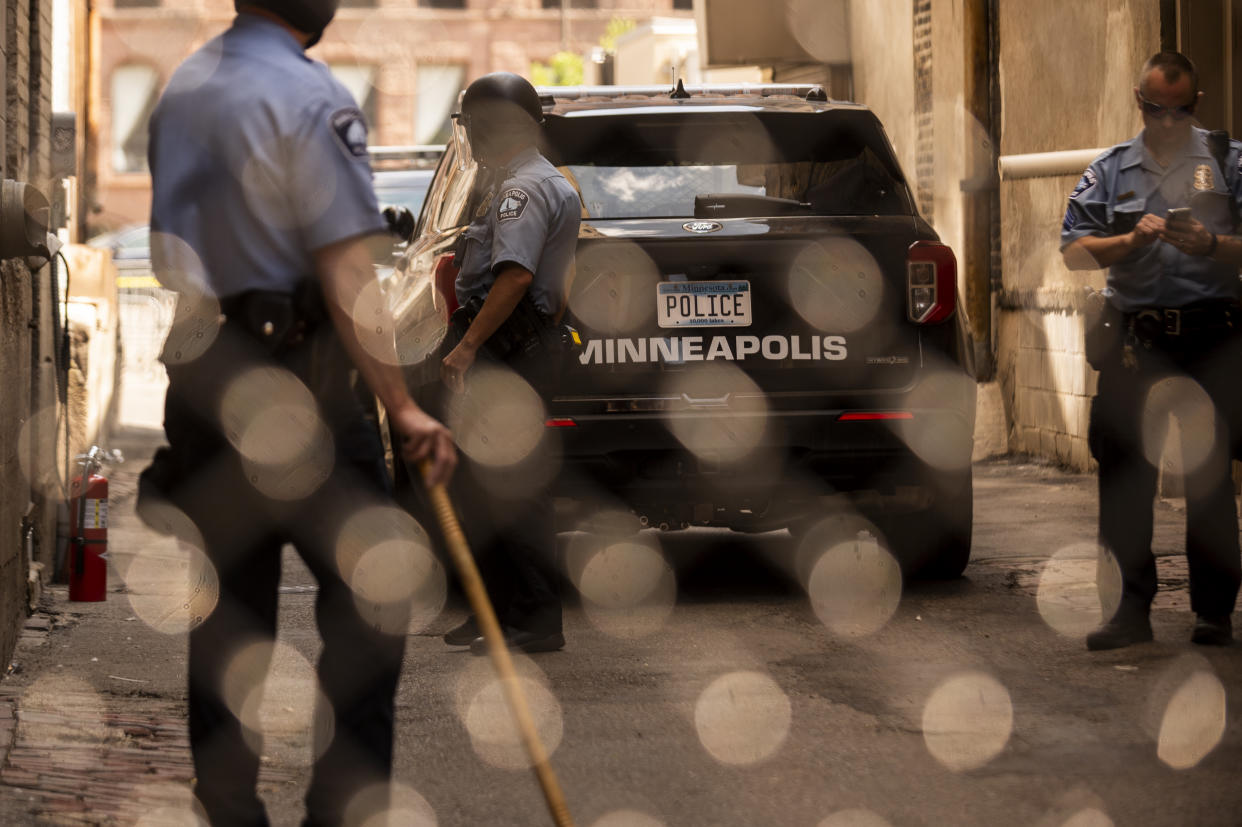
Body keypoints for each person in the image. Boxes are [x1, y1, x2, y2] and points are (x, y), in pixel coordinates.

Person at [139, 2, 457, 824]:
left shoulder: (184, 88)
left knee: (227, 621)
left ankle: (233, 811)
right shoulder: (312, 99)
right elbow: (347, 270)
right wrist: (402, 405)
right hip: (304, 386)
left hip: (208, 379)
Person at [1061, 51, 1242, 651]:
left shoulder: (1227, 162)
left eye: (1182, 109)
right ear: (1140, 102)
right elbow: (1074, 251)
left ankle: (1213, 613)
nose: (1169, 121)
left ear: (1197, 102)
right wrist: (1128, 241)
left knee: (1211, 481)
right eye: (1158, 109)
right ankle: (1127, 612)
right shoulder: (1110, 170)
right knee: (1124, 481)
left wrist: (1212, 244)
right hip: (1137, 342)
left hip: (1212, 338)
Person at [435, 72, 581, 655]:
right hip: (517, 346)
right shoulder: (537, 183)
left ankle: (537, 619)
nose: (468, 136)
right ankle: (495, 612)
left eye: (472, 125)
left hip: (505, 351)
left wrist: (469, 347)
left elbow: (516, 275)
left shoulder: (524, 189)